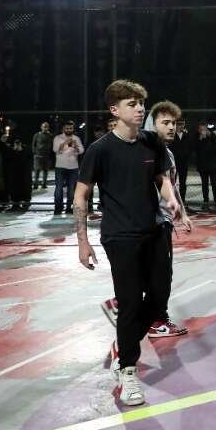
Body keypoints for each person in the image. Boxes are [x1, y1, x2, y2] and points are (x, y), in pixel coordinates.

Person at [74, 80, 179, 406]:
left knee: (159, 298)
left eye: (141, 103)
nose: (139, 108)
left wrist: (171, 198)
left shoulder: (151, 142)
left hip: (154, 232)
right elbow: (81, 195)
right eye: (132, 104)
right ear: (114, 110)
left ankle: (125, 336)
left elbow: (161, 178)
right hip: (120, 237)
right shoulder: (100, 150)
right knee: (131, 302)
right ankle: (128, 369)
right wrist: (83, 242)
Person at [100, 100, 192, 340]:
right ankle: (154, 320)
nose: (172, 127)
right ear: (152, 124)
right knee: (160, 276)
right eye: (166, 123)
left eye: (174, 123)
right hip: (151, 222)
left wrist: (182, 212)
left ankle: (126, 306)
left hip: (161, 220)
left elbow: (172, 186)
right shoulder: (148, 151)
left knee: (154, 273)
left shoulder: (164, 151)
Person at [52, 120, 84, 214]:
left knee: (71, 189)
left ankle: (69, 207)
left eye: (71, 128)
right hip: (60, 166)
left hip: (73, 167)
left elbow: (82, 150)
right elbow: (55, 149)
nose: (69, 130)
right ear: (63, 129)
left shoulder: (76, 138)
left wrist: (76, 146)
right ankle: (58, 207)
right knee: (59, 188)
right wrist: (64, 143)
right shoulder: (58, 138)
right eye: (67, 128)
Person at [195, 121, 216, 208]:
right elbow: (193, 147)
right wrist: (200, 139)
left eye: (204, 129)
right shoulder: (196, 136)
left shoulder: (212, 135)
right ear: (198, 130)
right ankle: (206, 202)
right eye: (201, 129)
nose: (202, 131)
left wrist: (210, 135)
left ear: (206, 129)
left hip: (213, 164)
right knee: (204, 184)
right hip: (202, 165)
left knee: (214, 183)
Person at [31, 121, 53, 189]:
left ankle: (44, 184)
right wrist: (35, 153)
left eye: (46, 127)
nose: (45, 128)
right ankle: (36, 184)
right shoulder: (37, 135)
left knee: (45, 170)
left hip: (46, 155)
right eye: (44, 127)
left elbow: (52, 144)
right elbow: (33, 144)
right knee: (37, 170)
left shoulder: (50, 135)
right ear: (41, 127)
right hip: (38, 156)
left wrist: (50, 153)